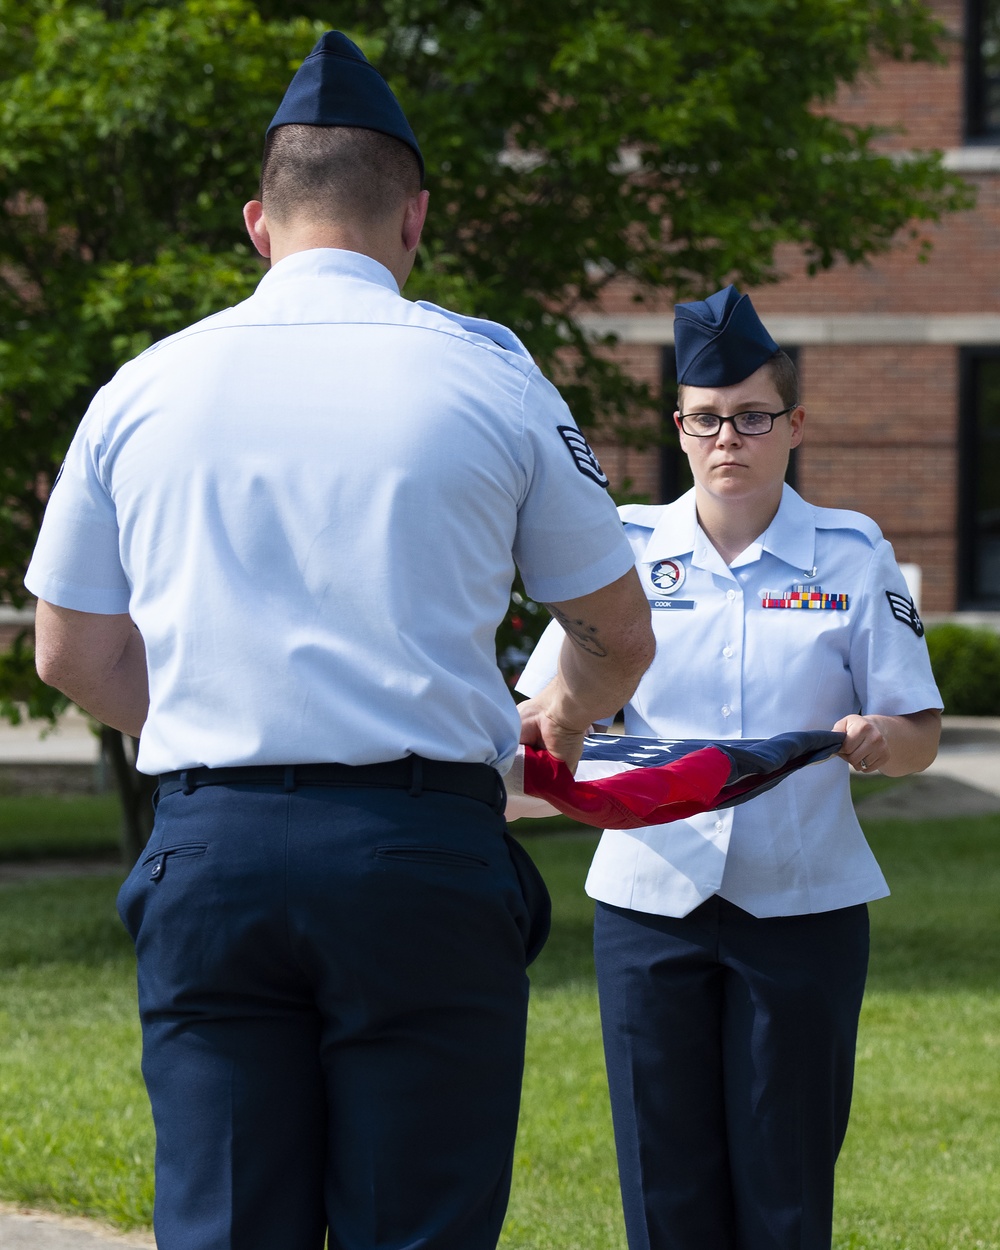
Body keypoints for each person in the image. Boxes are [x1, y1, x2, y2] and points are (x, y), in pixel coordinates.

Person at [24, 32, 655, 1250]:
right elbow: (614, 629)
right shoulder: (494, 379)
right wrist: (558, 722)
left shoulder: (142, 387)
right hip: (420, 853)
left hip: (213, 849)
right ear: (413, 219)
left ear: (260, 221)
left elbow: (70, 653)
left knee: (220, 1223)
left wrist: (223, 707)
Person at [516, 286, 942, 1250]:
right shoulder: (624, 553)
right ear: (679, 427)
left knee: (785, 1179)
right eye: (706, 420)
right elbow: (541, 712)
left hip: (800, 905)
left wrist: (881, 740)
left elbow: (920, 732)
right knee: (663, 1182)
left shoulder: (850, 553)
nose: (728, 441)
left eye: (752, 418)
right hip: (649, 900)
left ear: (794, 424)